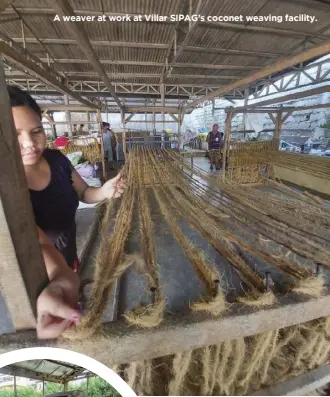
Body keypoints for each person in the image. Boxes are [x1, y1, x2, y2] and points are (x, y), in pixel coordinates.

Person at [7, 86, 126, 339]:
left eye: (36, 131)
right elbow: (33, 239)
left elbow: (84, 193)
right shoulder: (5, 184)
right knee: (46, 323)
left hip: (66, 253)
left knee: (69, 307)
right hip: (33, 272)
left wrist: (104, 191)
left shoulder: (57, 160)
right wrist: (59, 276)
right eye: (14, 134)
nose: (29, 144)